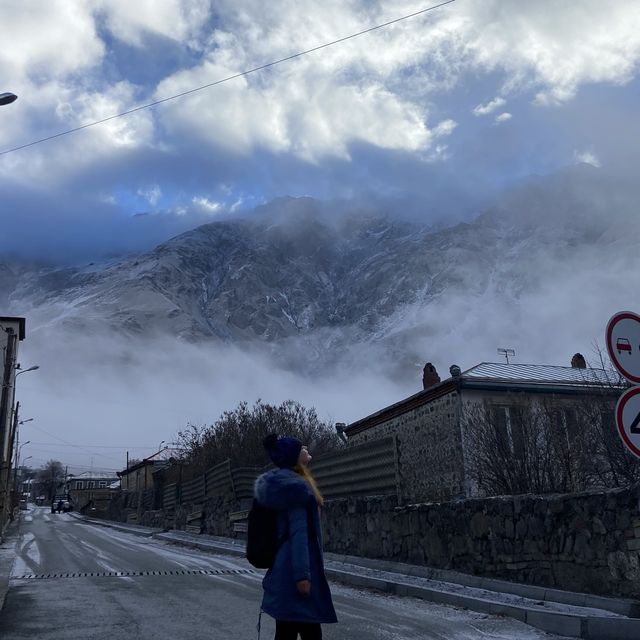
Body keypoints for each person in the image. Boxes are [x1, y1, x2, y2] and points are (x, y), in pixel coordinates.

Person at [255, 434, 337, 640]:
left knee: (287, 630)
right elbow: (299, 534)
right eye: (302, 448)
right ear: (293, 456)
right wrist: (303, 577)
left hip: (284, 571)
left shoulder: (286, 482)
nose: (307, 448)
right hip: (296, 573)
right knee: (305, 630)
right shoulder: (296, 488)